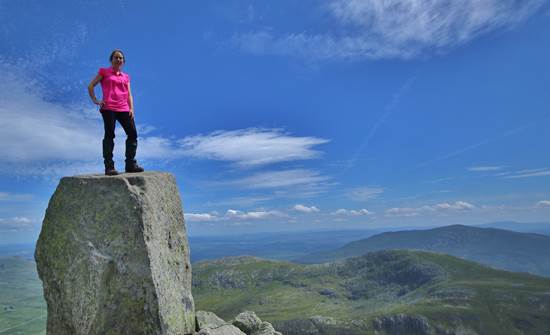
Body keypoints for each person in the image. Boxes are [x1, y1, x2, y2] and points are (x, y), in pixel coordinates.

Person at [88, 49, 144, 175]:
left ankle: (130, 164)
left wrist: (131, 108)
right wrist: (96, 100)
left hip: (124, 108)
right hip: (108, 108)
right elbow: (91, 85)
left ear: (123, 61)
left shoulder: (126, 77)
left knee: (133, 133)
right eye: (116, 57)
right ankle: (109, 166)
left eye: (120, 58)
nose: (118, 60)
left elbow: (129, 94)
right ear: (111, 60)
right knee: (109, 134)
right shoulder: (104, 71)